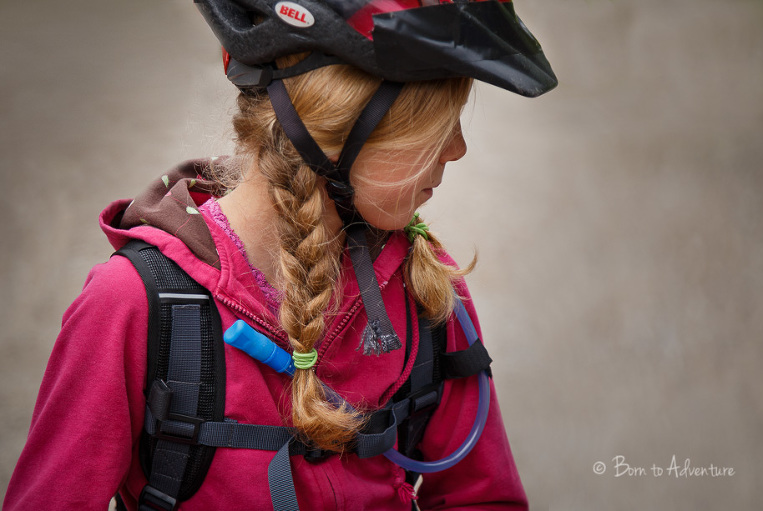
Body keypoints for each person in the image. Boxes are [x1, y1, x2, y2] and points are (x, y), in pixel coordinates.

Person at [4, 1, 557, 509]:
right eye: (435, 124)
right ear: (337, 133)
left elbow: (482, 497)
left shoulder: (427, 285)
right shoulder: (130, 305)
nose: (457, 149)